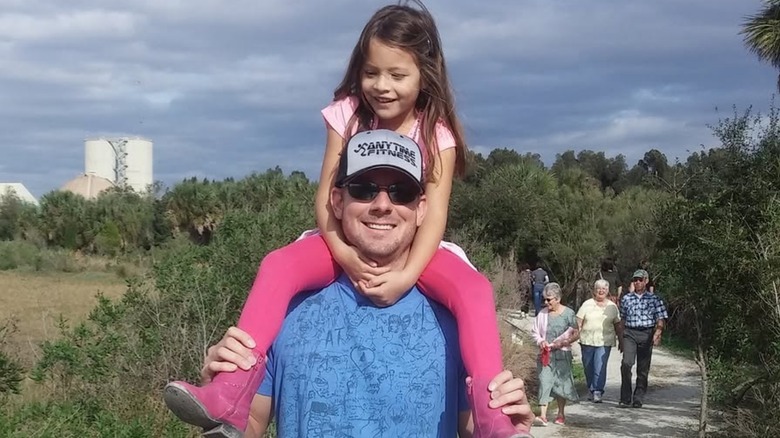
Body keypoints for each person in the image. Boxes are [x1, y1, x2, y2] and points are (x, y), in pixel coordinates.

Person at [164, 3, 526, 436]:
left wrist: (406, 276)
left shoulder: (437, 134)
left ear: (425, 75)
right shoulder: (347, 114)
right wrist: (344, 255)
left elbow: (436, 219)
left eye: (401, 191)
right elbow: (323, 197)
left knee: (474, 289)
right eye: (364, 188)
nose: (382, 86)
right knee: (278, 265)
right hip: (333, 239)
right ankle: (230, 390)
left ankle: (494, 415)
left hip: (422, 254)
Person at [197, 130, 534, 437]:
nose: (383, 205)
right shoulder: (282, 308)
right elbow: (252, 424)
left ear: (421, 209)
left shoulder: (458, 319)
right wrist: (221, 395)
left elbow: (472, 428)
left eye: (401, 192)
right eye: (364, 189)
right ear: (337, 201)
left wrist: (510, 425)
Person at [617, 269, 668, 408]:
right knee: (626, 363)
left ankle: (638, 397)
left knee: (643, 367)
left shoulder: (654, 299)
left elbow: (661, 318)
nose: (638, 282)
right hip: (630, 333)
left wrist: (658, 333)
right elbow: (622, 320)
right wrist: (620, 339)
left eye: (640, 280)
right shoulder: (627, 299)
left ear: (646, 281)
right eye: (635, 280)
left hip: (646, 333)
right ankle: (625, 397)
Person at [531, 283, 579, 426]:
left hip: (563, 354)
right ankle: (543, 416)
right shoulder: (542, 314)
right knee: (544, 381)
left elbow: (576, 333)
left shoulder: (569, 313)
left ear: (558, 299)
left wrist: (565, 342)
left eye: (549, 299)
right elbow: (534, 332)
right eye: (544, 299)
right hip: (546, 355)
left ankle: (561, 414)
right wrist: (541, 341)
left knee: (561, 383)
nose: (546, 302)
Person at [576, 279, 622, 403]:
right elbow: (578, 322)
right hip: (587, 340)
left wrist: (621, 341)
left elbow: (618, 325)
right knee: (588, 367)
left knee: (600, 366)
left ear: (608, 291)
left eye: (604, 289)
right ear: (594, 290)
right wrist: (573, 336)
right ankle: (591, 389)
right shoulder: (587, 304)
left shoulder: (612, 306)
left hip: (604, 341)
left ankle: (597, 391)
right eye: (599, 288)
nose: (601, 291)